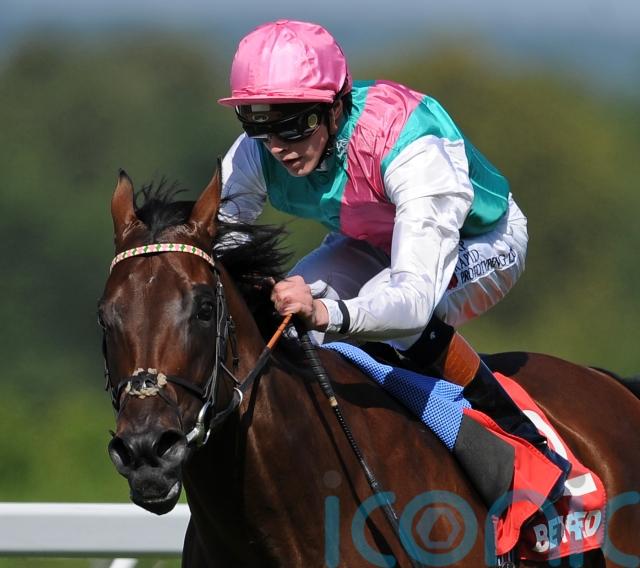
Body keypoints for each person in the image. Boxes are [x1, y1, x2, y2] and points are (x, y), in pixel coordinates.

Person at [217, 19, 570, 481]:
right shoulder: (258, 150)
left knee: (387, 320)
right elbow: (221, 235)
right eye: (260, 127)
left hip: (482, 241)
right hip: (373, 241)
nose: (280, 148)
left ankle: (521, 437)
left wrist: (325, 312)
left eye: (296, 127)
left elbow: (411, 302)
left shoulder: (409, 144)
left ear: (334, 107)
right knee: (285, 319)